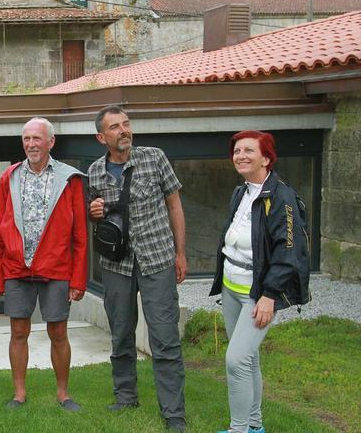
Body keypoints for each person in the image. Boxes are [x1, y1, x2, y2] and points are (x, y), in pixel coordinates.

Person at [87, 105, 187, 433]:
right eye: (115, 127)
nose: (124, 130)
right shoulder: (95, 172)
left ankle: (173, 413)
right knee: (121, 334)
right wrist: (95, 211)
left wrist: (181, 253)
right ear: (102, 137)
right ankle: (125, 396)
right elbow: (98, 220)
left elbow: (174, 205)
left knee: (165, 338)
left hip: (157, 259)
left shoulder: (154, 157)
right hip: (117, 265)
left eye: (126, 124)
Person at [210, 131, 310, 433]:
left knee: (235, 360)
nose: (240, 155)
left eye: (249, 151)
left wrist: (269, 296)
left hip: (258, 294)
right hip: (231, 287)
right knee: (248, 359)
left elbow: (288, 251)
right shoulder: (241, 192)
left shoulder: (282, 197)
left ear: (266, 158)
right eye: (237, 150)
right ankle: (255, 425)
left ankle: (238, 429)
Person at [0, 117, 87, 411]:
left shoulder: (70, 179)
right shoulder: (9, 176)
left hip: (56, 267)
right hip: (17, 268)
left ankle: (63, 394)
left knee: (58, 332)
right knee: (18, 331)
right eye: (26, 139)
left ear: (51, 142)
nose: (31, 144)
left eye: (36, 139)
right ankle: (19, 394)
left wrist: (79, 280)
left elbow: (80, 235)